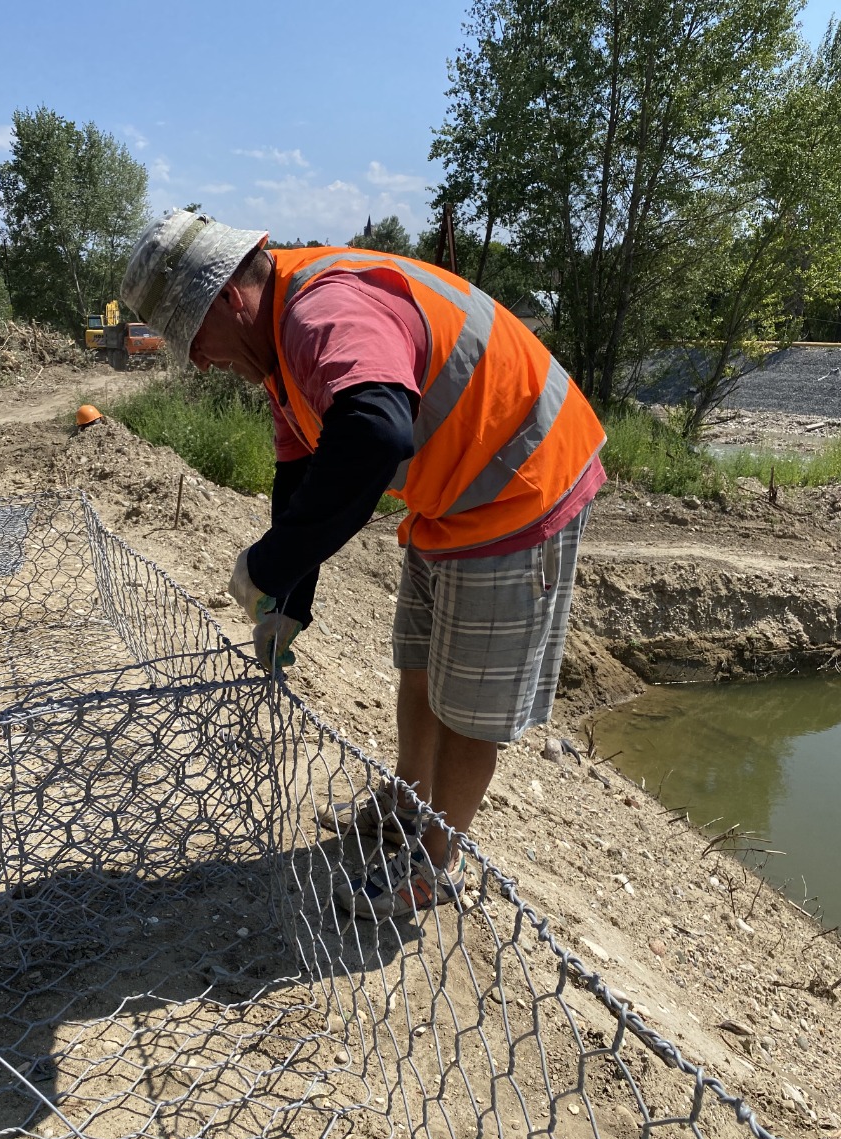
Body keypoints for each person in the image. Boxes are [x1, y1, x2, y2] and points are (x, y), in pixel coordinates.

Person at [121, 210, 606, 920]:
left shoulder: (320, 314)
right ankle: (407, 804)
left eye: (192, 339)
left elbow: (375, 431)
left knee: (466, 705)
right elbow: (304, 476)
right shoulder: (280, 348)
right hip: (452, 492)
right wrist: (287, 601)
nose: (196, 361)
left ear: (230, 298)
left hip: (518, 481)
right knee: (418, 662)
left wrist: (269, 561)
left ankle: (434, 866)